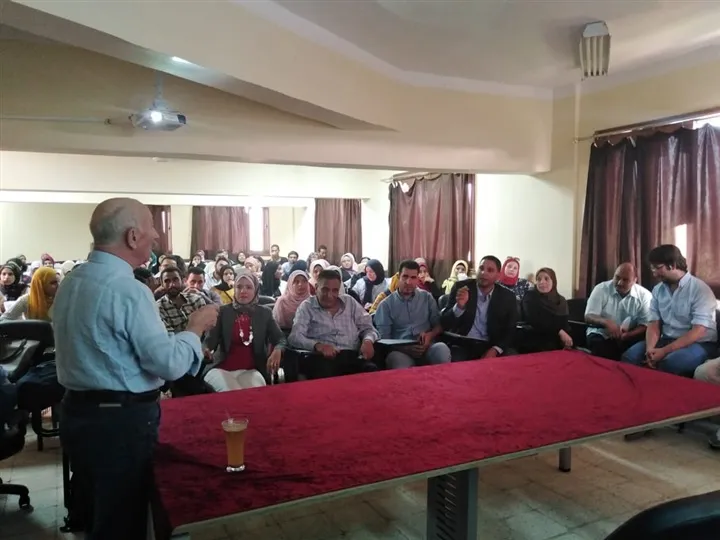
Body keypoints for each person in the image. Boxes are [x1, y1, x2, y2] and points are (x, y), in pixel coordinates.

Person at [53, 198, 218, 540]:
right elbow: (168, 364)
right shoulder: (129, 290)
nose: (156, 236)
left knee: (98, 512)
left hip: (78, 413)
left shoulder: (72, 281)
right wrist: (195, 328)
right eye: (150, 228)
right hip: (118, 423)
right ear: (132, 236)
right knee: (121, 522)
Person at [621, 245, 718, 377]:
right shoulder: (658, 290)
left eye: (657, 268)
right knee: (629, 357)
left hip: (699, 343)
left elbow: (698, 331)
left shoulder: (700, 290)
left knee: (670, 364)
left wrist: (664, 351)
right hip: (667, 339)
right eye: (652, 268)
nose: (654, 273)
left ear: (672, 265)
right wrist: (650, 349)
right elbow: (653, 324)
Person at [204, 269, 285, 391]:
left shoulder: (264, 313)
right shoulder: (223, 312)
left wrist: (278, 350)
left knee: (255, 396)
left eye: (248, 287)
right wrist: (204, 348)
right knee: (234, 394)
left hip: (252, 369)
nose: (243, 291)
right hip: (221, 367)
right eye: (239, 287)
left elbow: (280, 339)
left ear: (256, 290)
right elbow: (209, 341)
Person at [289, 269, 378, 378]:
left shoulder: (350, 302)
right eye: (325, 290)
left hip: (352, 356)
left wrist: (368, 341)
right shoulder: (307, 307)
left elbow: (369, 328)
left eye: (335, 290)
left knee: (371, 371)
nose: (329, 295)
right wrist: (318, 346)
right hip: (321, 358)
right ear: (316, 288)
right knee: (325, 372)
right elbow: (295, 337)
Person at [374, 260, 451, 369]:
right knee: (396, 359)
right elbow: (384, 340)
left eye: (413, 277)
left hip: (427, 347)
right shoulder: (385, 305)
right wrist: (405, 349)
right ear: (398, 277)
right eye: (405, 277)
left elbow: (438, 325)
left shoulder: (427, 298)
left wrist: (430, 335)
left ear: (418, 279)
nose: (409, 282)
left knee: (442, 349)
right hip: (401, 351)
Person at [441, 256, 518, 359]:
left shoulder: (507, 296)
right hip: (463, 343)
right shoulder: (461, 287)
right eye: (481, 268)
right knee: (456, 359)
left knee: (512, 357)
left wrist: (496, 349)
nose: (483, 273)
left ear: (498, 276)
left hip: (491, 344)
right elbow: (444, 322)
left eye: (490, 270)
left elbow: (511, 329)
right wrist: (459, 307)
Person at [584, 263, 652, 360]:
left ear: (634, 280)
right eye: (617, 277)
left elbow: (645, 324)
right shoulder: (601, 289)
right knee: (606, 353)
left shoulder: (645, 296)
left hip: (630, 335)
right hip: (601, 333)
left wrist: (628, 335)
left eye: (625, 280)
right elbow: (588, 316)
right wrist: (606, 322)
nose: (619, 283)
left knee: (636, 354)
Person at [521, 268, 573, 352]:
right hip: (536, 340)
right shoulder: (530, 296)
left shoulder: (561, 300)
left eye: (546, 279)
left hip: (558, 342)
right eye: (539, 279)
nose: (542, 282)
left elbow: (564, 324)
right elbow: (535, 320)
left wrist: (567, 340)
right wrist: (559, 332)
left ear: (553, 281)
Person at [156, 267, 209, 335]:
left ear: (182, 281)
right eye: (167, 281)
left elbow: (208, 327)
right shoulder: (159, 308)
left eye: (175, 280)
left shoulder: (196, 300)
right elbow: (169, 335)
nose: (172, 285)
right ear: (162, 284)